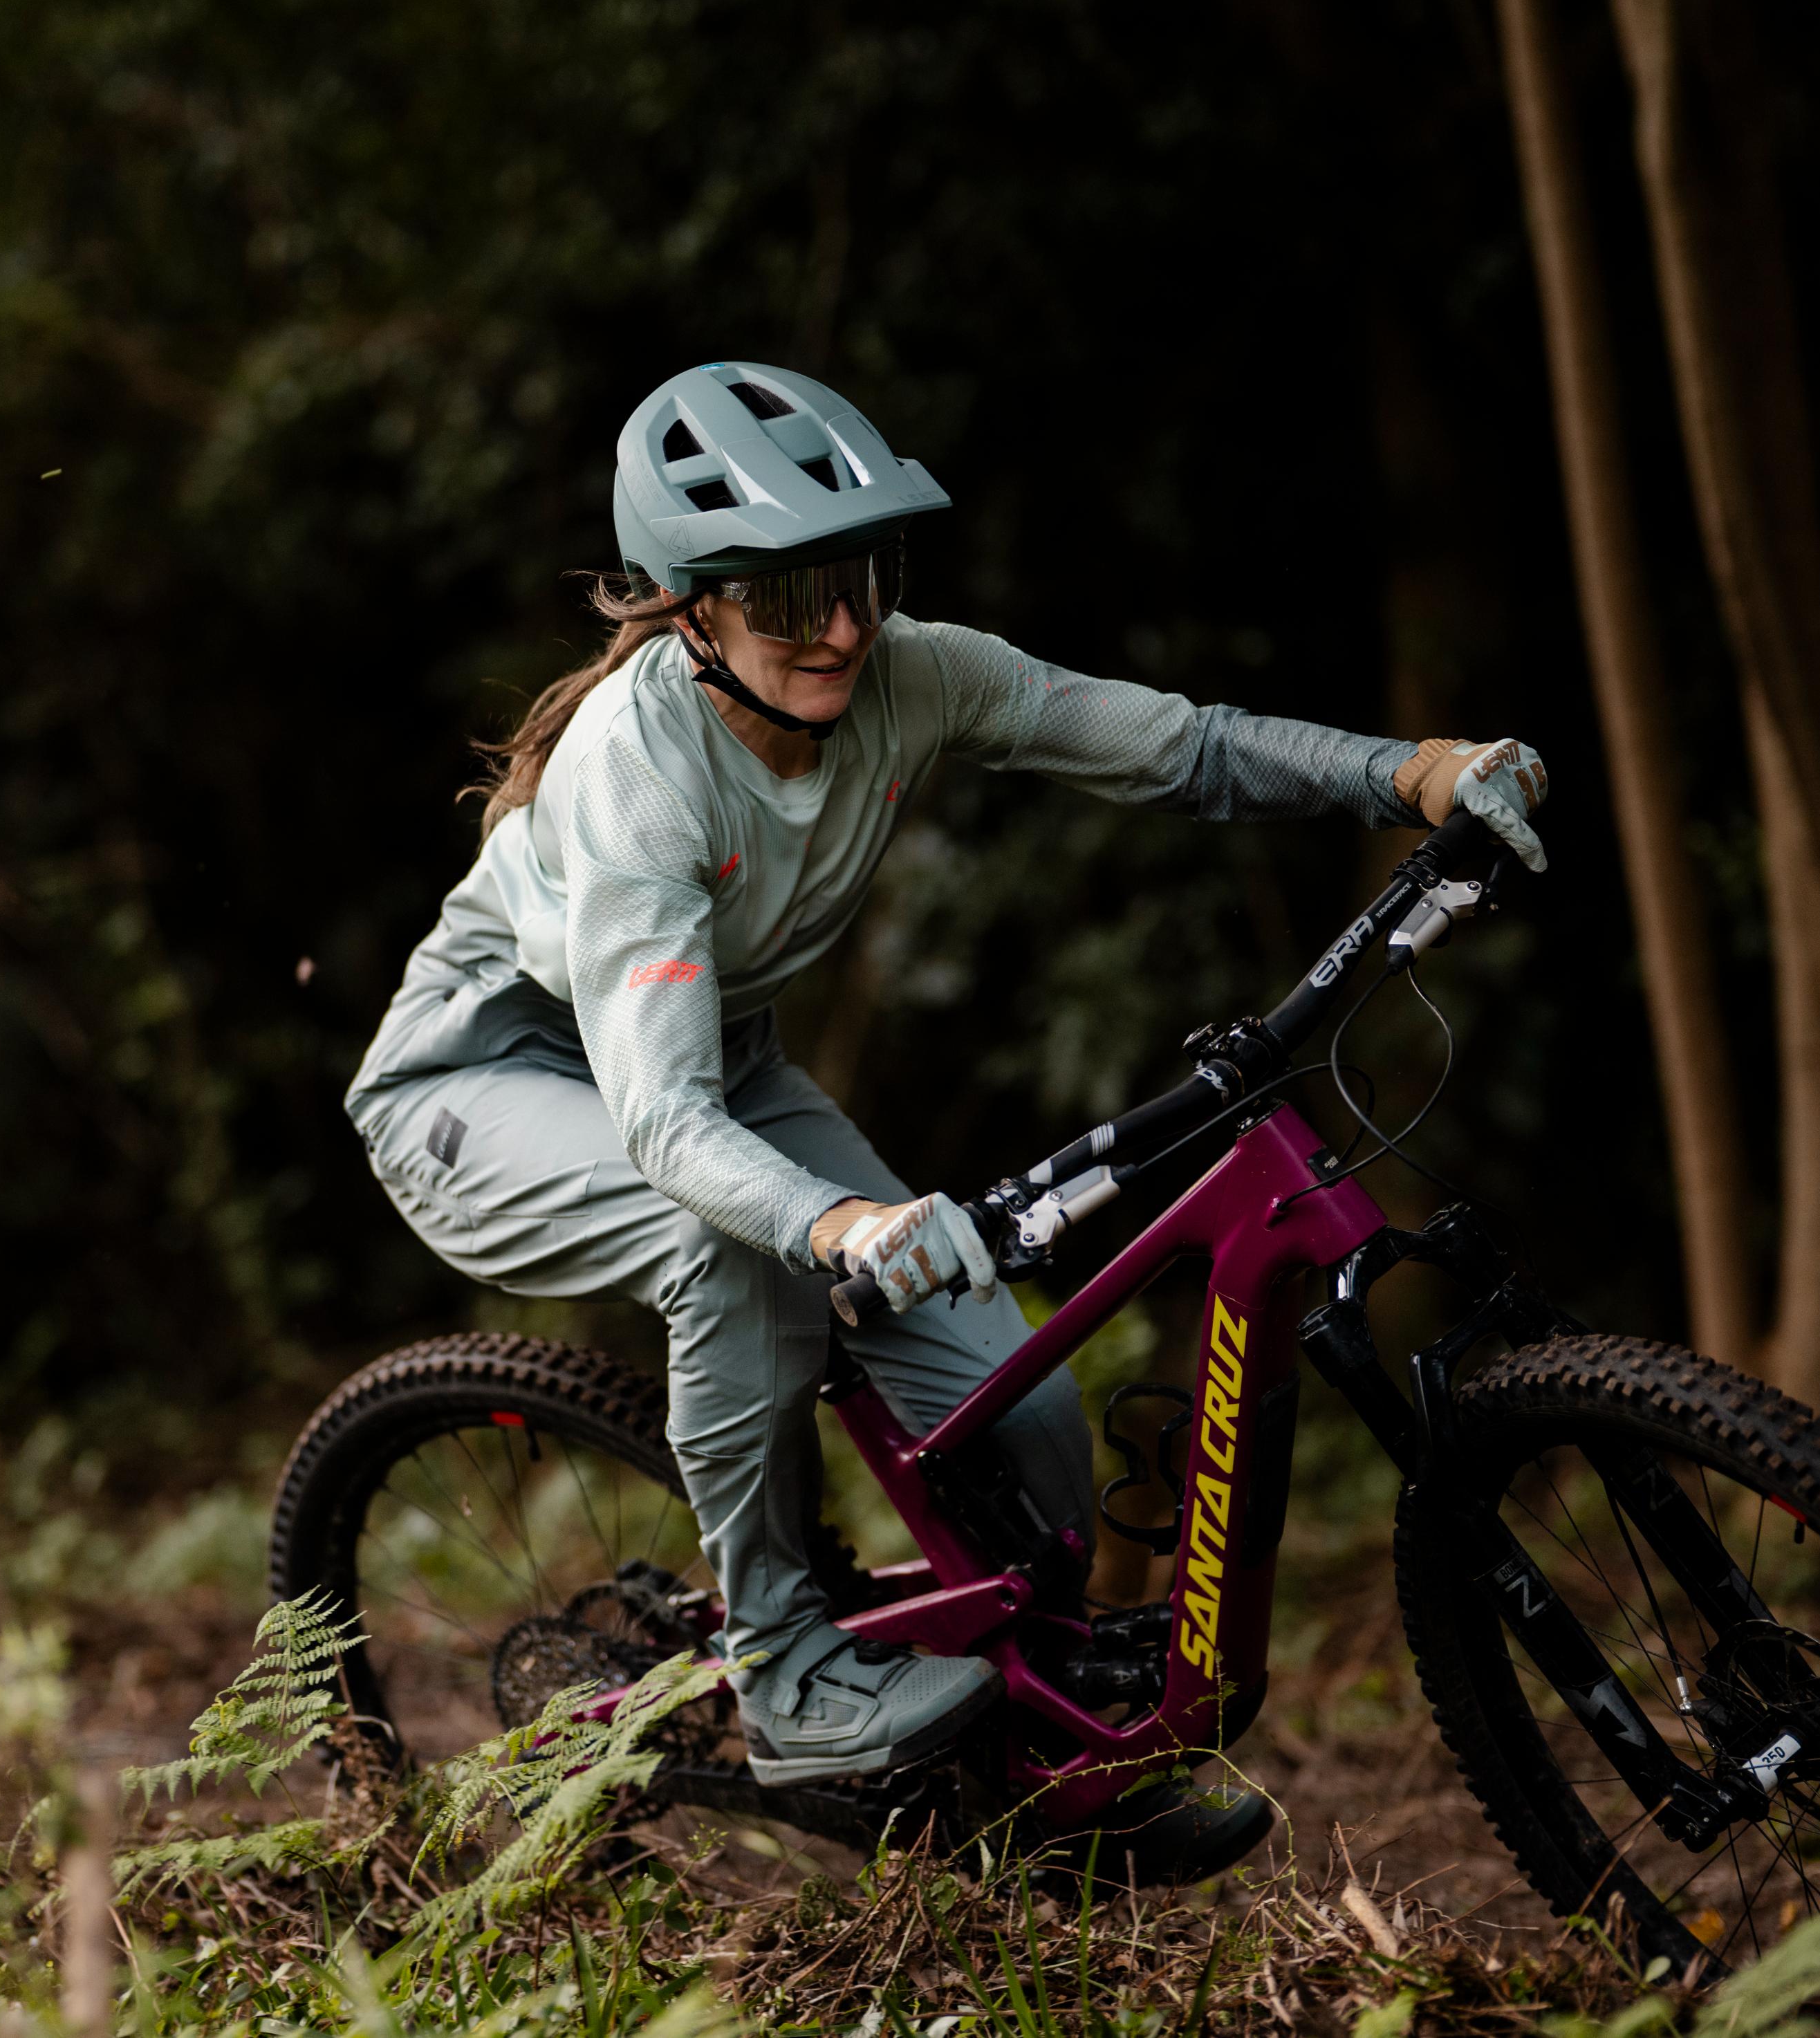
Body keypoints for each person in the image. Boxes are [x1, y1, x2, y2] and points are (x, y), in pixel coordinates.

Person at [343, 362, 1547, 1826]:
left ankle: (1039, 1770)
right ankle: (783, 1667)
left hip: (720, 1062)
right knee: (725, 1246)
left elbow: (1176, 743)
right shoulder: (636, 782)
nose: (841, 627)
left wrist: (1409, 771)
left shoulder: (912, 673)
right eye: (789, 596)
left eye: (859, 576)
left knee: (1017, 1408)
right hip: (481, 1084)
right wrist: (843, 1222)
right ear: (692, 607)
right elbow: (663, 1131)